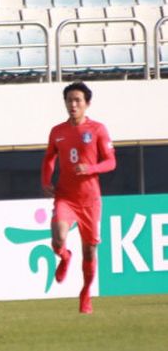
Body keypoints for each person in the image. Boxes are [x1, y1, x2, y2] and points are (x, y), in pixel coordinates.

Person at [41, 81, 115, 314]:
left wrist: (90, 168)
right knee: (59, 238)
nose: (73, 104)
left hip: (90, 200)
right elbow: (49, 158)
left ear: (87, 104)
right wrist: (46, 180)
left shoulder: (98, 130)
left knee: (90, 251)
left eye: (77, 100)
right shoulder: (57, 131)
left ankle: (85, 293)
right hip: (65, 196)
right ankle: (64, 256)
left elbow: (111, 162)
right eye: (69, 100)